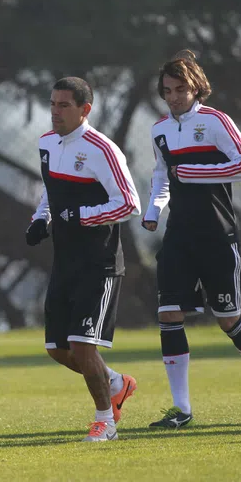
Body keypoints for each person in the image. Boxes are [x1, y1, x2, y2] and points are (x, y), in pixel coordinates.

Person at [142, 50, 241, 428]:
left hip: (217, 235)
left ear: (196, 88)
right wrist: (153, 211)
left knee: (229, 320)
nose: (174, 97)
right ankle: (181, 409)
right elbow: (162, 175)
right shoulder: (160, 130)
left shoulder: (215, 121)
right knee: (168, 314)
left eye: (180, 89)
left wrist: (196, 173)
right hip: (179, 236)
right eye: (167, 90)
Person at [26, 77, 140, 442]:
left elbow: (129, 204)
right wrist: (41, 218)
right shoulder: (47, 142)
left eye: (64, 105)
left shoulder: (102, 149)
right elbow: (52, 191)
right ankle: (116, 383)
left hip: (99, 263)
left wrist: (81, 216)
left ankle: (106, 422)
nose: (55, 112)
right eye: (52, 104)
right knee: (57, 349)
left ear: (84, 109)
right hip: (65, 261)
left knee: (82, 344)